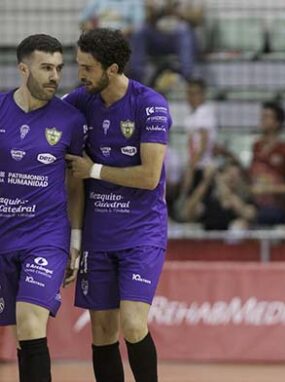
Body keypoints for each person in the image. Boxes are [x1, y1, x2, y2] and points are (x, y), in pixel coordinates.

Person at [64, 28, 170, 382]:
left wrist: (93, 169)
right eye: (78, 65)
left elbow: (150, 176)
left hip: (141, 233)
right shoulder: (79, 102)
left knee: (133, 323)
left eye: (87, 68)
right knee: (102, 333)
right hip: (98, 235)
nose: (80, 74)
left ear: (112, 69)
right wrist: (75, 242)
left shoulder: (149, 104)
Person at [0, 34, 85, 382]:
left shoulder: (71, 120)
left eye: (59, 69)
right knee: (20, 328)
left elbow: (76, 183)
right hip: (4, 235)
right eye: (45, 68)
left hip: (46, 237)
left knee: (31, 320)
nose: (54, 76)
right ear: (23, 68)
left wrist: (75, 239)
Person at [249, 101, 285, 226]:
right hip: (255, 203)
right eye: (262, 116)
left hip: (276, 208)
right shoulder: (256, 147)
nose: (262, 120)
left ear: (277, 123)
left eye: (267, 117)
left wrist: (269, 189)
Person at [128, 0, 203, 82]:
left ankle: (187, 78)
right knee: (140, 31)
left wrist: (176, 12)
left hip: (177, 35)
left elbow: (197, 18)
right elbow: (148, 17)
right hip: (156, 35)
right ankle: (137, 79)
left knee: (184, 30)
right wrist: (158, 11)